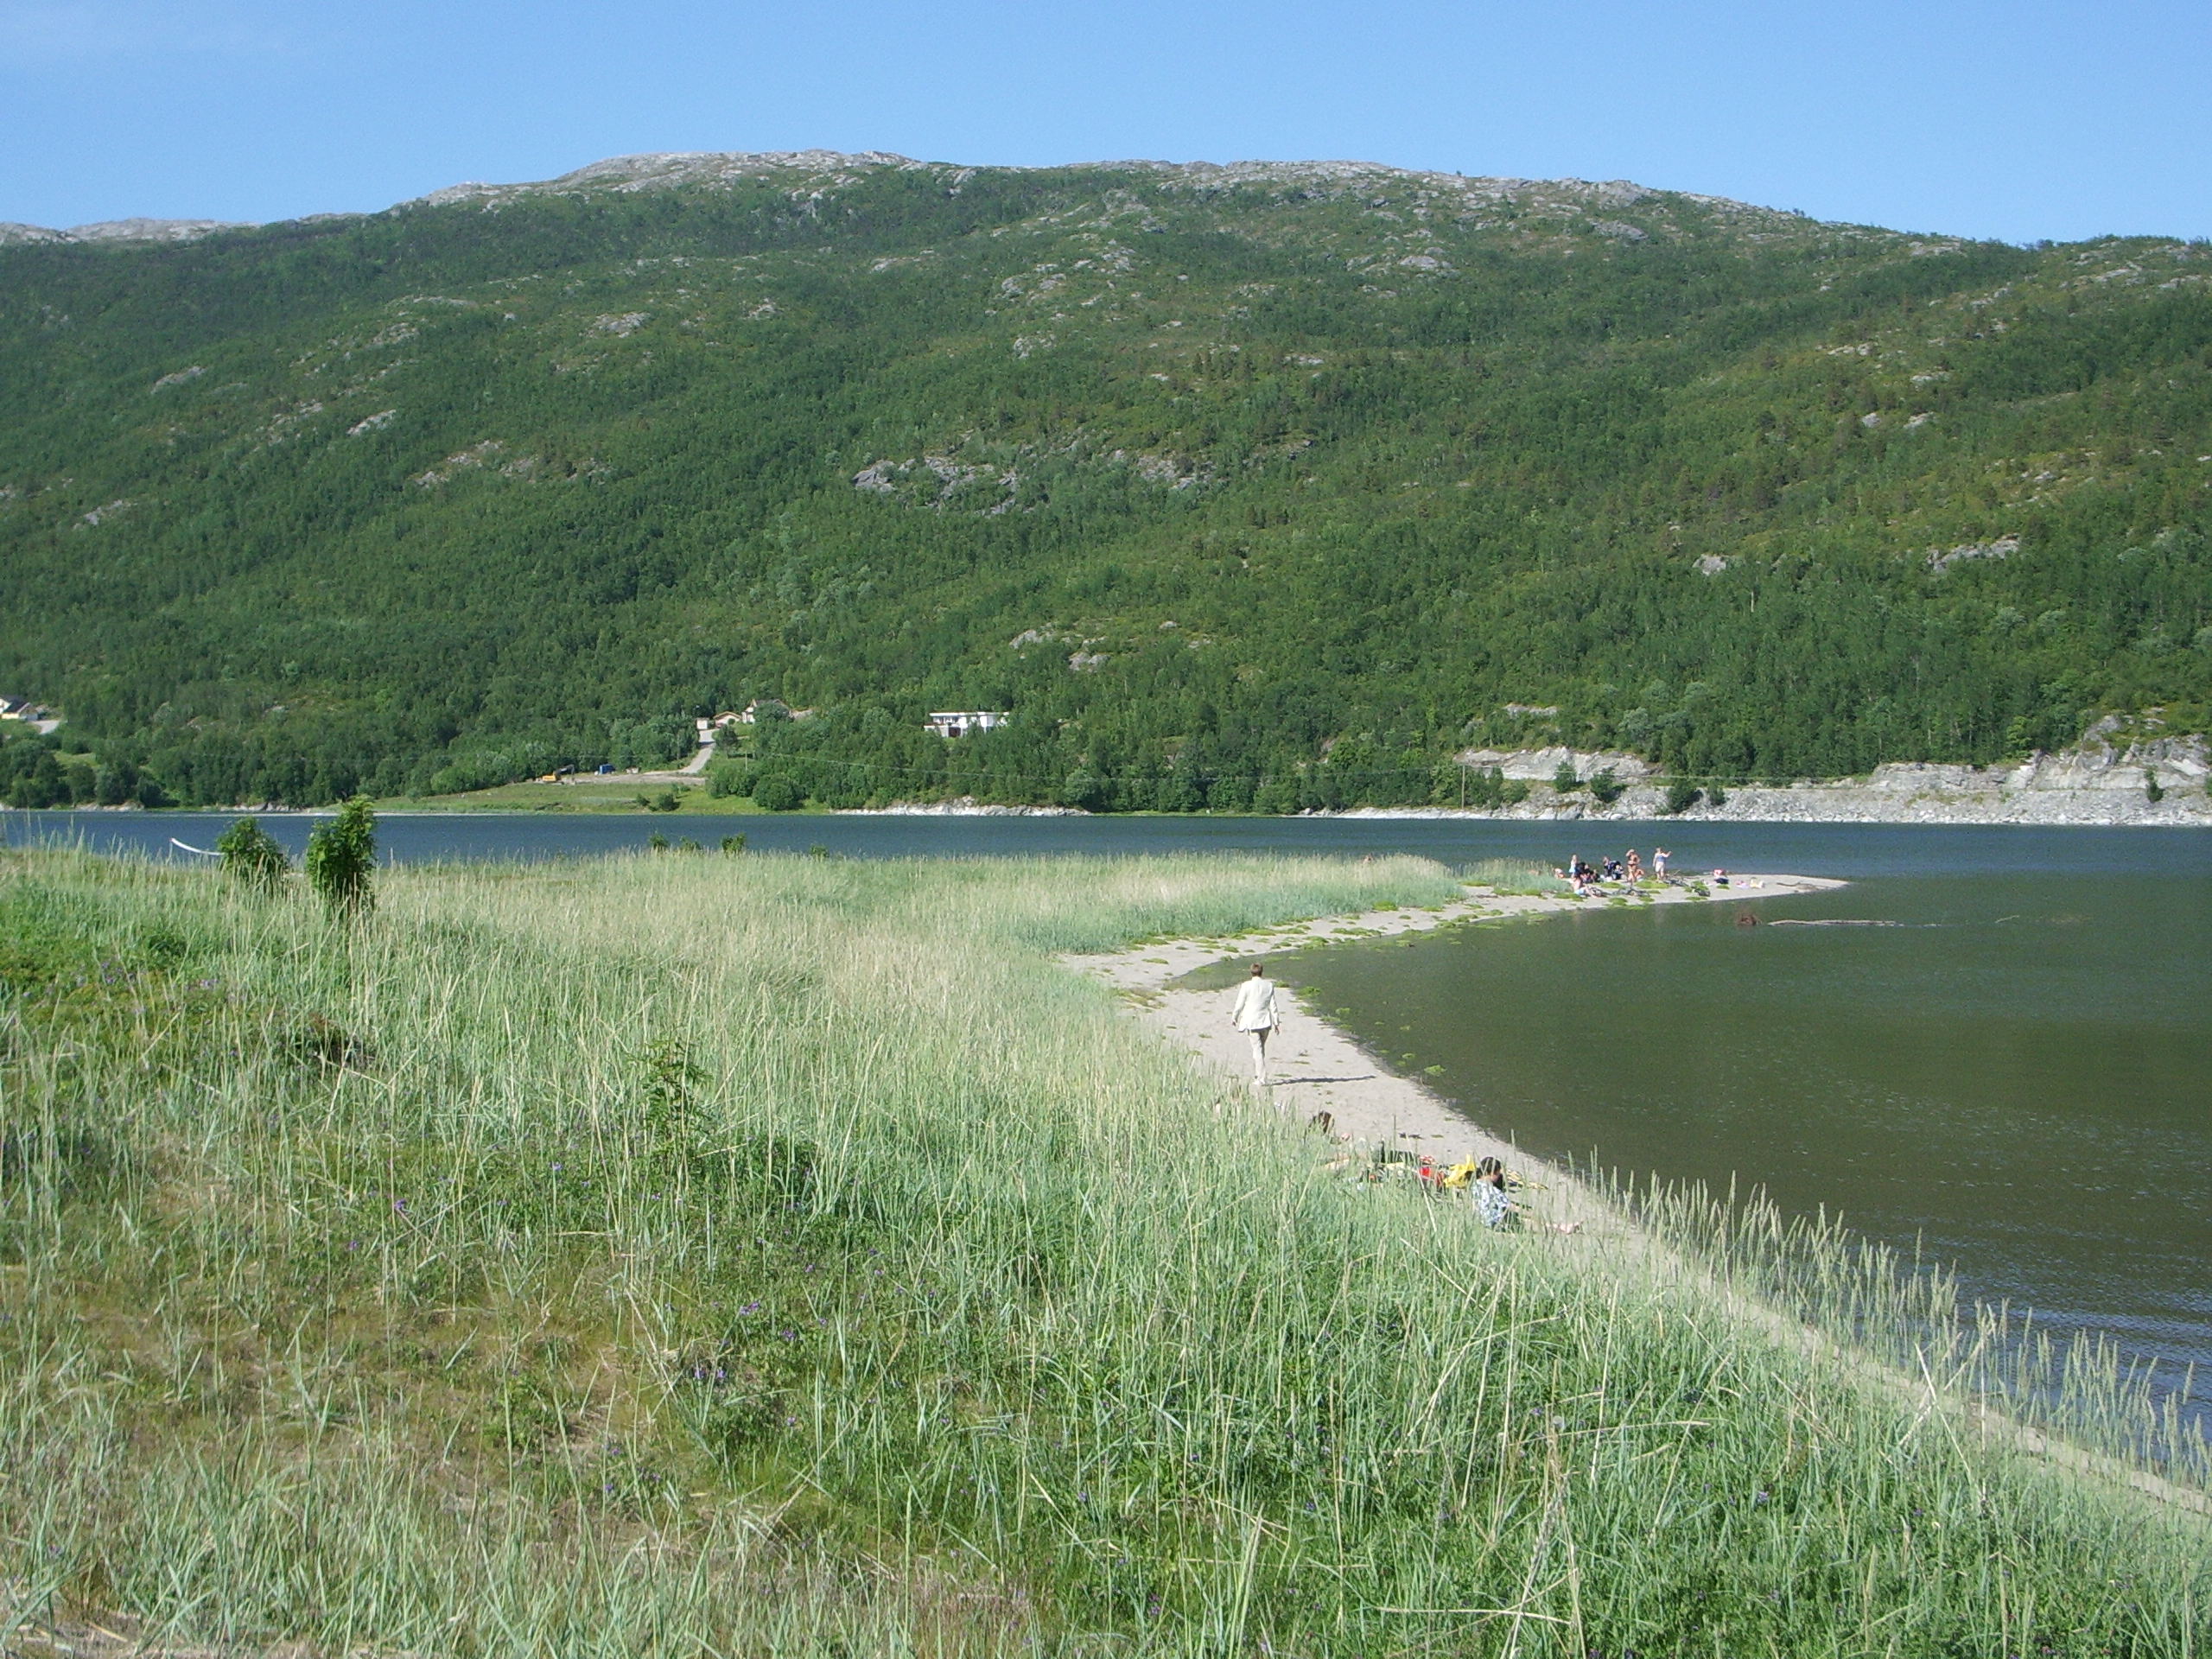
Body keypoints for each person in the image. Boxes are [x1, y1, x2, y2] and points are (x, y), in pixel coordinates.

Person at [1230, 962, 1280, 1088]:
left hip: (1252, 1021)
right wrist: (1276, 1022)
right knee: (1260, 1049)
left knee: (1257, 1050)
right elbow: (1272, 1005)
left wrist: (1235, 1016)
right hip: (1265, 1021)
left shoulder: (1246, 986)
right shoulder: (1269, 985)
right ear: (1262, 972)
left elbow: (1240, 1003)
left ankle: (1261, 1078)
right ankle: (1260, 1075)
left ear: (1251, 972)